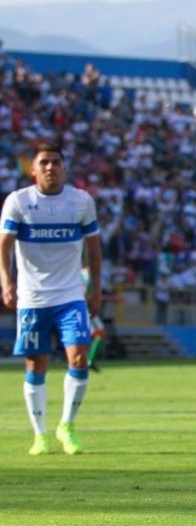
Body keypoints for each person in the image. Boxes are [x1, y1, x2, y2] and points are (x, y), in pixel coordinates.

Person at [1, 143, 102, 455]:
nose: (50, 167)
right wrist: (6, 282)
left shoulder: (81, 201)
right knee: (36, 364)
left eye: (56, 162)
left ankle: (67, 426)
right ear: (32, 169)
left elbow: (94, 249)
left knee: (80, 357)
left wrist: (96, 289)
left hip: (70, 295)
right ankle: (40, 434)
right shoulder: (19, 201)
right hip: (33, 297)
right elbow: (4, 245)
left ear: (64, 168)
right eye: (44, 162)